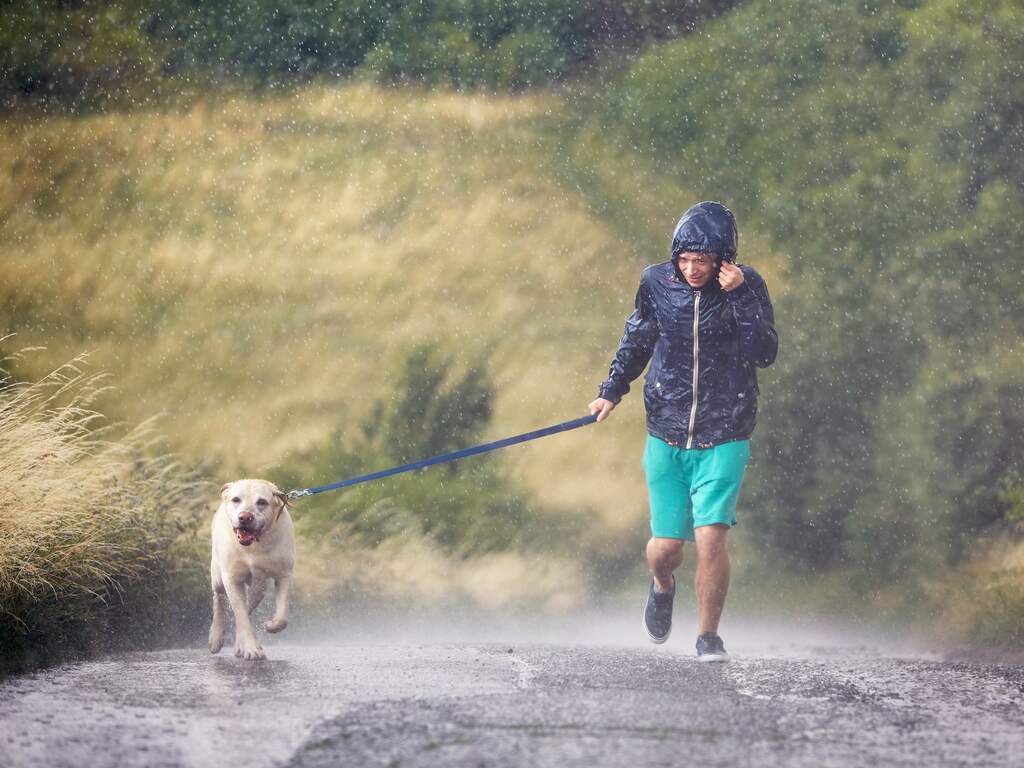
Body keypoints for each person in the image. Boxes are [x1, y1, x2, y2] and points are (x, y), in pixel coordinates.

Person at [589, 201, 777, 662]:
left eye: (703, 261)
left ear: (723, 259)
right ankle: (662, 584)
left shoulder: (746, 285)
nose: (692, 269)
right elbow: (638, 337)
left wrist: (739, 298)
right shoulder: (657, 282)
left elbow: (764, 352)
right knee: (666, 548)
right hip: (667, 430)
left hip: (725, 431)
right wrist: (611, 391)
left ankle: (708, 635)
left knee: (711, 536)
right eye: (685, 260)